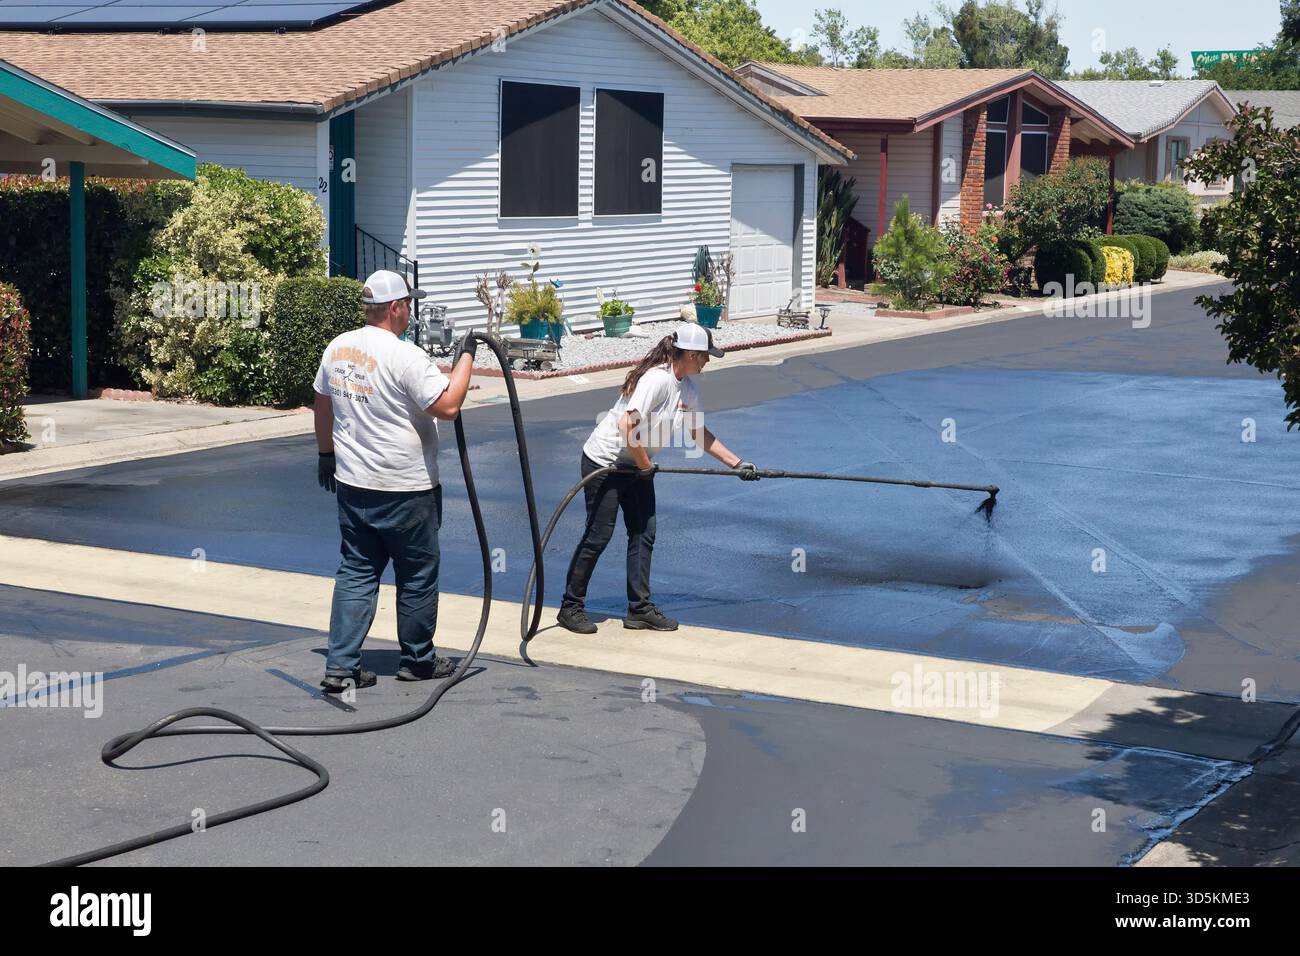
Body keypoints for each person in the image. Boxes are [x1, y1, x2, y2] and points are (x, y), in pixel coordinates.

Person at [313, 269, 476, 693]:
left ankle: (340, 665)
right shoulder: (407, 355)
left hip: (354, 484)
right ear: (395, 307)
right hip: (407, 489)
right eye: (408, 304)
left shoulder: (338, 347)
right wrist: (466, 357)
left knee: (356, 571)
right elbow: (449, 406)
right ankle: (418, 661)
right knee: (417, 573)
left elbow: (322, 400)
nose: (410, 311)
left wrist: (325, 453)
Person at [557, 324, 759, 635]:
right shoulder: (657, 380)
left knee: (643, 533)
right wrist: (644, 465)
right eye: (706, 356)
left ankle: (639, 609)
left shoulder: (687, 389)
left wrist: (738, 464)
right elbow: (628, 425)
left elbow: (699, 434)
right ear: (691, 354)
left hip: (638, 464)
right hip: (606, 463)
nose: (708, 361)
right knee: (599, 535)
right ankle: (570, 607)